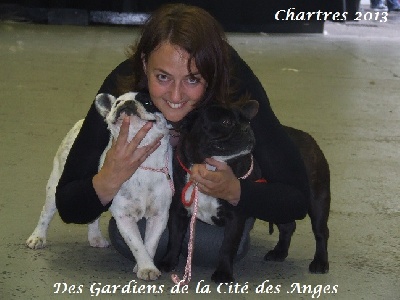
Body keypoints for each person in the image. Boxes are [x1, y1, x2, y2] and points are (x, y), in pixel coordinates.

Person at [55, 4, 310, 266]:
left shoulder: (235, 85)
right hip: (155, 199)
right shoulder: (124, 91)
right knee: (136, 237)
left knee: (211, 247)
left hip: (218, 206)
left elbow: (297, 200)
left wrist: (236, 191)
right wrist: (108, 178)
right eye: (163, 77)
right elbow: (68, 205)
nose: (175, 97)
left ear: (211, 74)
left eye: (192, 80)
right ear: (144, 64)